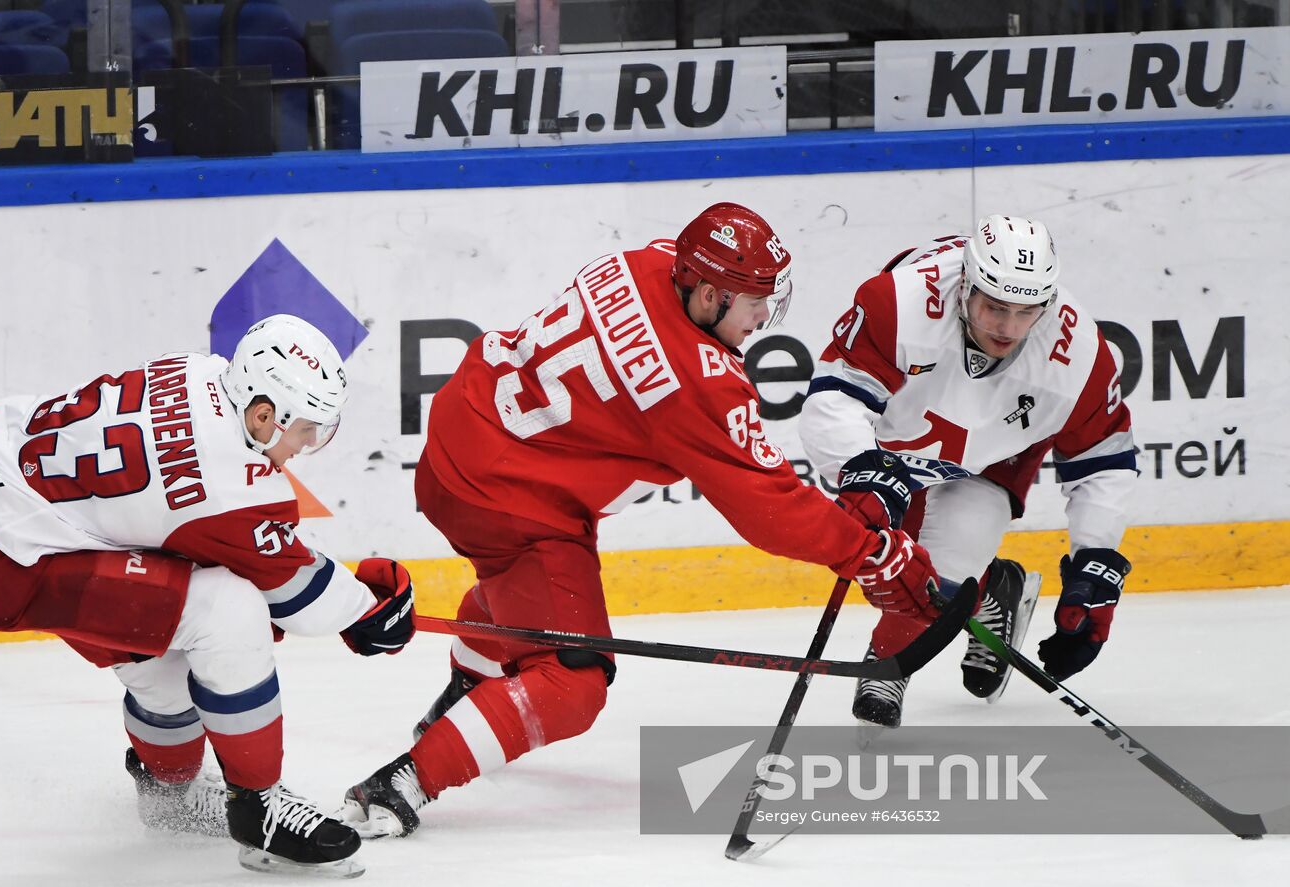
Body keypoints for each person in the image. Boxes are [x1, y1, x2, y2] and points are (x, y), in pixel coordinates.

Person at [340, 202, 944, 838]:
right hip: (511, 503)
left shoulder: (650, 260)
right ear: (708, 294)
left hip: (454, 445)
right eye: (753, 300)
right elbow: (773, 510)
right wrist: (872, 553)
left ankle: (463, 700)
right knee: (572, 681)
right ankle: (403, 783)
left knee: (526, 594)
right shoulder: (698, 382)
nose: (765, 316)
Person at [0, 314, 415, 878]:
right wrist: (373, 609)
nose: (307, 446)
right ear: (264, 415)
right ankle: (260, 809)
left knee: (168, 623)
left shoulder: (199, 372)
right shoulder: (231, 483)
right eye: (307, 430)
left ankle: (166, 794)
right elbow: (302, 598)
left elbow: (208, 524)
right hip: (3, 555)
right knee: (227, 612)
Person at [798, 215, 1137, 730]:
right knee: (882, 562)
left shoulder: (1081, 357)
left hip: (997, 452)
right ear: (966, 285)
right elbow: (835, 399)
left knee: (939, 578)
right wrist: (859, 471)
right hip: (898, 437)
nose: (1007, 327)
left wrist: (1095, 558)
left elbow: (1103, 459)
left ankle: (891, 660)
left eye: (1026, 313)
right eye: (994, 307)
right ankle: (995, 586)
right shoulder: (900, 303)